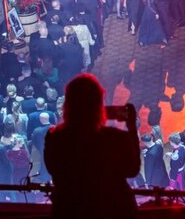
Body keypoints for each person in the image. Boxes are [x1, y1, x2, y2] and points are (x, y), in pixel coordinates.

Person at [44, 74, 140, 219]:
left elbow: (54, 170)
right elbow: (132, 169)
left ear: (68, 104)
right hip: (113, 210)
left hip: (69, 210)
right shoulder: (115, 138)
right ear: (98, 104)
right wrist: (132, 129)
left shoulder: (55, 137)